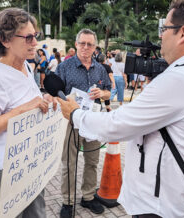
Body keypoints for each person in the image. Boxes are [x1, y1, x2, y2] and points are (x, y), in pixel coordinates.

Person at [57, 0, 184, 217]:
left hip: (161, 208)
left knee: (92, 163)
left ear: (183, 33)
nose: (161, 36)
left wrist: (75, 114)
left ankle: (87, 196)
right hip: (167, 201)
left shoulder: (180, 80)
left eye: (165, 29)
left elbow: (118, 125)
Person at [0, 8, 56, 218]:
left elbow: (29, 102)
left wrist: (44, 100)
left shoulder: (26, 66)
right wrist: (23, 109)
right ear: (5, 40)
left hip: (30, 163)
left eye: (35, 36)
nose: (34, 42)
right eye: (27, 37)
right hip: (5, 169)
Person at [55, 28, 111, 218]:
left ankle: (87, 197)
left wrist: (102, 94)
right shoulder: (64, 67)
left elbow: (108, 92)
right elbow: (56, 92)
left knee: (92, 162)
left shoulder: (100, 68)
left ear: (95, 47)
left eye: (90, 44)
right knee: (69, 163)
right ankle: (67, 201)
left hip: (93, 121)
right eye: (82, 43)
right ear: (76, 44)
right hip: (72, 122)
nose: (86, 47)